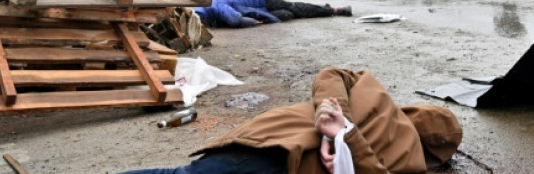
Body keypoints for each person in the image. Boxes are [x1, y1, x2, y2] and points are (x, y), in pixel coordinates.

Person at [116, 67, 463, 174]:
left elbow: (330, 73)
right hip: (282, 161)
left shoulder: (371, 90)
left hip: (260, 140)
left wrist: (334, 117)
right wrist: (343, 133)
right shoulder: (410, 157)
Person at [195, 0, 352, 29]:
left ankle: (335, 10)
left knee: (295, 8)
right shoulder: (211, 12)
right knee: (288, 15)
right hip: (260, 11)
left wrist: (255, 23)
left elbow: (235, 18)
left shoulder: (215, 5)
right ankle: (320, 10)